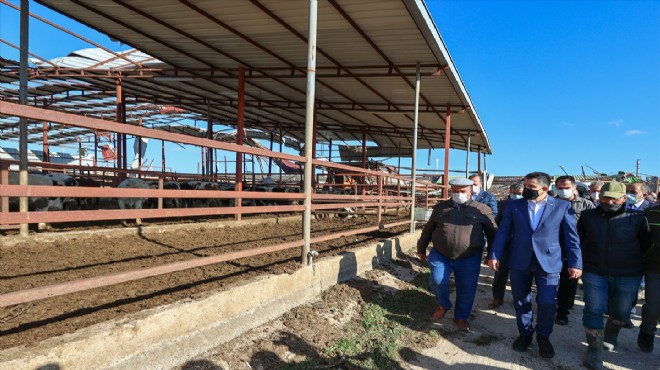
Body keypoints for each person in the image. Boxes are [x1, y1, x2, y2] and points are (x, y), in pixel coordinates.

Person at [487, 172, 582, 359]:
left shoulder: (562, 206)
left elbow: (572, 238)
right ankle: (525, 334)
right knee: (521, 300)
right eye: (525, 186)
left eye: (530, 188)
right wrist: (495, 254)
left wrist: (575, 262)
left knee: (547, 302)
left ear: (545, 189)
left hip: (548, 261)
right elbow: (503, 232)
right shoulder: (515, 206)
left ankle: (543, 336)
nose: (525, 190)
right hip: (519, 259)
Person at [578, 181, 650, 369]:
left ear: (624, 198)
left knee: (622, 312)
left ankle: (611, 335)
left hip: (628, 273)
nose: (608, 202)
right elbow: (580, 240)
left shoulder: (638, 217)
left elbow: (645, 245)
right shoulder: (587, 217)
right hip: (594, 271)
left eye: (613, 198)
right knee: (594, 309)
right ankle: (594, 351)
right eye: (604, 198)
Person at [417, 177, 497, 332]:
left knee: (466, 288)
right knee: (437, 279)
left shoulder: (482, 210)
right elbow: (428, 229)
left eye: (462, 191)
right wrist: (421, 247)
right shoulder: (440, 208)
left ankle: (461, 317)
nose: (458, 194)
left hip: (469, 256)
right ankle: (443, 305)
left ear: (470, 191)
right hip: (441, 253)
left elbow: (493, 233)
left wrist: (492, 255)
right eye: (454, 191)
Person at [553, 175, 595, 325]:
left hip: (574, 250)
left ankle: (563, 311)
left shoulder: (586, 205)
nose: (563, 191)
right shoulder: (550, 203)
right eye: (560, 188)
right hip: (552, 248)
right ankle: (546, 304)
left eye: (567, 188)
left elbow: (592, 229)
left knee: (569, 282)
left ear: (574, 188)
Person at [488, 181, 524, 309]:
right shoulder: (503, 204)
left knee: (520, 274)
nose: (516, 196)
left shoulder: (528, 204)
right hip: (506, 243)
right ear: (509, 192)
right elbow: (497, 223)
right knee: (500, 273)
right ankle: (497, 298)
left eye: (519, 193)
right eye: (514, 193)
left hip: (522, 244)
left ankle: (519, 299)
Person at [639, 204, 660, 352]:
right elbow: (640, 237)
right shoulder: (650, 213)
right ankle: (647, 331)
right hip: (654, 268)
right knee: (653, 307)